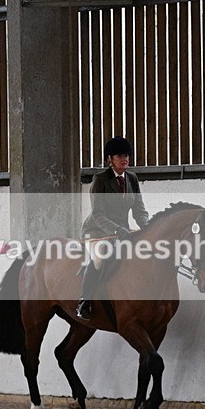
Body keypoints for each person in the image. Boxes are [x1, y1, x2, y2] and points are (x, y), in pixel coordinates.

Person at [76, 136, 149, 320]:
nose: (124, 159)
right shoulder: (100, 180)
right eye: (119, 156)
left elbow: (139, 210)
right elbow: (98, 214)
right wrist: (117, 230)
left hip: (123, 230)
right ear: (110, 159)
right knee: (100, 257)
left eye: (127, 155)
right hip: (97, 230)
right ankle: (84, 301)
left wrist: (147, 228)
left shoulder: (132, 178)